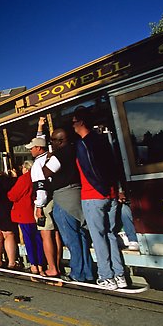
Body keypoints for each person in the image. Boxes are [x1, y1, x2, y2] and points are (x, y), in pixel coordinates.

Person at [72, 106, 128, 290]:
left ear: (80, 122)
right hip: (110, 193)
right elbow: (113, 165)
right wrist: (115, 188)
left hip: (93, 194)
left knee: (99, 237)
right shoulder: (102, 140)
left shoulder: (83, 144)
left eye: (73, 122)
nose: (72, 126)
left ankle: (106, 276)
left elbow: (89, 170)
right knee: (110, 234)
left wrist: (100, 187)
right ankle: (119, 274)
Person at [37, 118, 94, 282]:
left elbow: (46, 173)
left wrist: (47, 159)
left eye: (53, 140)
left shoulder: (60, 154)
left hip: (63, 198)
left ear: (60, 141)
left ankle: (77, 273)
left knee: (71, 239)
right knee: (82, 237)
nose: (51, 143)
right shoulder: (75, 149)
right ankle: (88, 272)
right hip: (78, 195)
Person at [26, 136, 63, 278]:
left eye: (32, 148)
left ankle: (52, 267)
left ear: (39, 148)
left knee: (46, 234)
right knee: (56, 234)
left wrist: (39, 206)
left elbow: (40, 187)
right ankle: (57, 264)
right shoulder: (51, 159)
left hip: (45, 201)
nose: (31, 150)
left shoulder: (37, 165)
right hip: (56, 197)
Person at [7, 160, 46, 275]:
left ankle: (34, 264)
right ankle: (40, 264)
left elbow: (12, 195)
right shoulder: (38, 176)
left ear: (26, 168)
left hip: (25, 213)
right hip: (36, 211)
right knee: (39, 239)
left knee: (29, 240)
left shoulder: (24, 178)